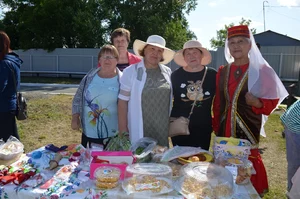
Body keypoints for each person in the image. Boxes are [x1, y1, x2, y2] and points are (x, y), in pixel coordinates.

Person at [212, 25, 288, 195]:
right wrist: (216, 124)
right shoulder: (223, 71)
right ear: (228, 47)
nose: (236, 46)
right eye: (232, 43)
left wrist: (258, 102)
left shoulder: (262, 71)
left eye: (241, 42)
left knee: (247, 160)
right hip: (224, 127)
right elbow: (218, 101)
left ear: (249, 45)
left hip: (247, 126)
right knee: (224, 159)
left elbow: (272, 101)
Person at [118, 35, 175, 146]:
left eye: (159, 50)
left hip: (161, 129)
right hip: (139, 128)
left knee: (160, 160)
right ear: (144, 50)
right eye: (152, 48)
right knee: (140, 159)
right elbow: (122, 102)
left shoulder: (167, 72)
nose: (155, 53)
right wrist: (123, 130)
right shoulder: (131, 72)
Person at [71, 45, 122, 148]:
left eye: (110, 57)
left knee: (110, 162)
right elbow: (77, 98)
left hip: (113, 133)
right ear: (99, 59)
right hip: (89, 132)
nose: (107, 60)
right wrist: (75, 117)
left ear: (117, 60)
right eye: (104, 56)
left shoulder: (123, 80)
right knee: (89, 162)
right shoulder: (89, 77)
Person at [170, 40, 216, 150]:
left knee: (200, 161)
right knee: (180, 160)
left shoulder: (213, 75)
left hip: (203, 128)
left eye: (195, 52)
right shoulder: (175, 75)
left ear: (201, 55)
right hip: (179, 127)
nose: (192, 56)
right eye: (188, 54)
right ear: (184, 57)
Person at [0, 31, 23, 142]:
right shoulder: (13, 60)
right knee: (12, 137)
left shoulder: (4, 63)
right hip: (9, 105)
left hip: (3, 108)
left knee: (6, 142)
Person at [280, 99, 300, 191]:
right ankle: (293, 190)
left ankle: (292, 189)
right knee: (295, 163)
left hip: (291, 124)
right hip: (295, 128)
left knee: (294, 162)